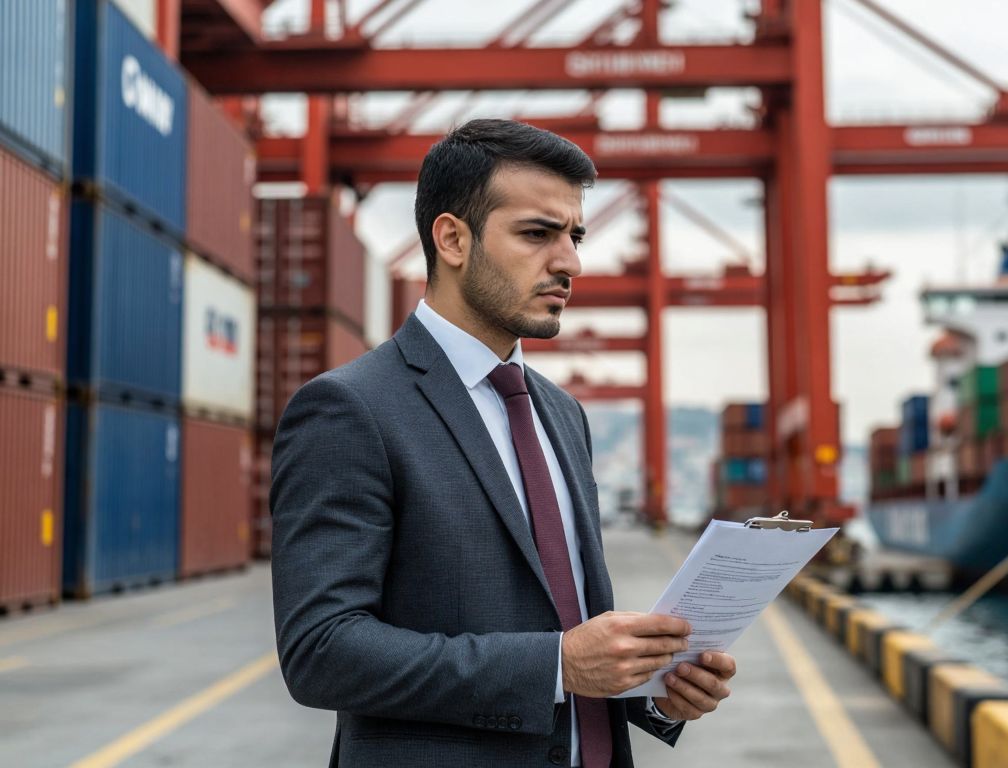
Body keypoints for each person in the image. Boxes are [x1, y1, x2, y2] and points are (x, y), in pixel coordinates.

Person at [270, 119, 736, 768]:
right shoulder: (350, 410)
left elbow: (565, 622)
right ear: (453, 239)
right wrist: (555, 665)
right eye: (537, 234)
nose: (570, 262)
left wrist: (656, 687)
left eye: (574, 236)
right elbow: (320, 651)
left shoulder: (560, 415)